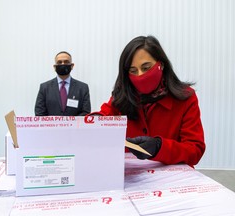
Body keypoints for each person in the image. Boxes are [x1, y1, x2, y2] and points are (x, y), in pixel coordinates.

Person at [91, 36, 205, 167]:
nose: (140, 75)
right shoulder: (122, 96)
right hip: (132, 178)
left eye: (146, 68)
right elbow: (104, 115)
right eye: (133, 71)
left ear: (161, 64)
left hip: (172, 178)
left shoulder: (185, 97)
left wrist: (159, 147)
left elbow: (195, 150)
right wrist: (93, 122)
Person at [35, 51, 91, 116]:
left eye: (66, 62)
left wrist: (71, 124)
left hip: (75, 126)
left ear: (72, 66)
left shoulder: (83, 88)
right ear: (55, 67)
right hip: (51, 126)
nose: (62, 64)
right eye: (59, 62)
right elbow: (39, 113)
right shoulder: (44, 87)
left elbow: (86, 112)